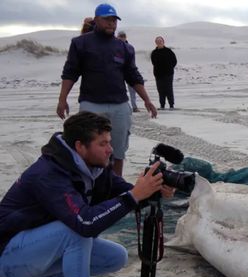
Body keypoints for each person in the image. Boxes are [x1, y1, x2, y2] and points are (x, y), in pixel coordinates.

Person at [0, 112, 170, 277]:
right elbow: (86, 223)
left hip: (35, 250)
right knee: (75, 231)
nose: (110, 149)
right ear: (80, 147)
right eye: (103, 144)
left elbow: (126, 193)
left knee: (115, 257)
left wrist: (151, 190)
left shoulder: (95, 167)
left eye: (109, 142)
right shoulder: (49, 173)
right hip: (8, 255)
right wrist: (134, 196)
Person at [57, 3, 158, 177]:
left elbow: (133, 76)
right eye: (107, 20)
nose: (111, 23)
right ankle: (91, 185)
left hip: (119, 106)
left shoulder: (124, 47)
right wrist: (62, 98)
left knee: (117, 151)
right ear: (96, 20)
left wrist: (147, 100)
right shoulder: (80, 43)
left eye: (114, 20)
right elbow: (70, 72)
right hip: (91, 105)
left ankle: (115, 185)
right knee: (90, 150)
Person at [150, 36, 178, 110]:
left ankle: (171, 105)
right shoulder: (154, 52)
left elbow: (174, 61)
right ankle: (162, 105)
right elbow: (153, 62)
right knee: (160, 90)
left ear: (163, 42)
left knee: (169, 89)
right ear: (156, 43)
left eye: (160, 41)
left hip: (168, 74)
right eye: (158, 41)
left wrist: (169, 68)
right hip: (158, 75)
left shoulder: (168, 51)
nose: (159, 42)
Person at [117, 31, 139, 112]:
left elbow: (132, 61)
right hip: (118, 72)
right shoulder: (114, 46)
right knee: (121, 90)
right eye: (120, 36)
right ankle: (126, 106)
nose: (122, 38)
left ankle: (134, 106)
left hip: (129, 71)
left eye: (123, 36)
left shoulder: (130, 47)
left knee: (132, 90)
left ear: (125, 37)